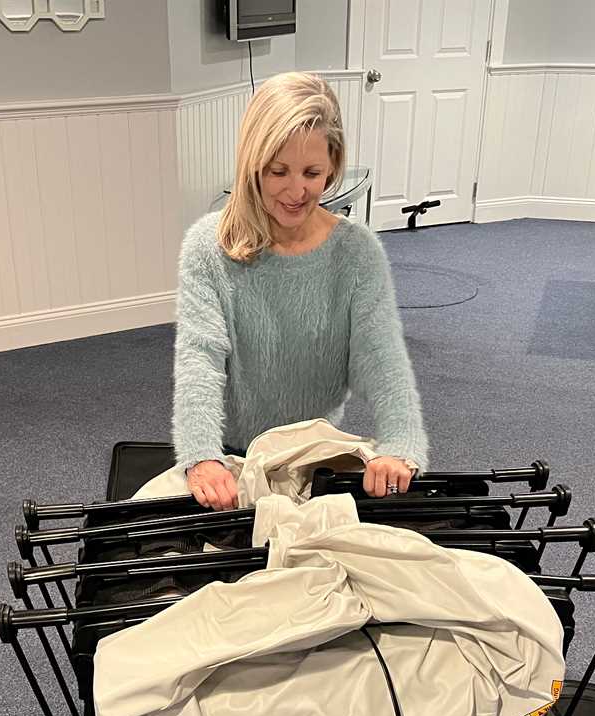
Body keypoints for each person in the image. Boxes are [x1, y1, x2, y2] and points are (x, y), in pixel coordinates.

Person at [172, 71, 429, 510]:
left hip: (314, 460)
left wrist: (401, 442)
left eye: (312, 172)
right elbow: (200, 359)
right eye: (278, 172)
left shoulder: (357, 252)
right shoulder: (206, 247)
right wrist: (201, 457)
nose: (296, 191)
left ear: (333, 166)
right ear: (253, 165)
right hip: (233, 459)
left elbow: (381, 358)